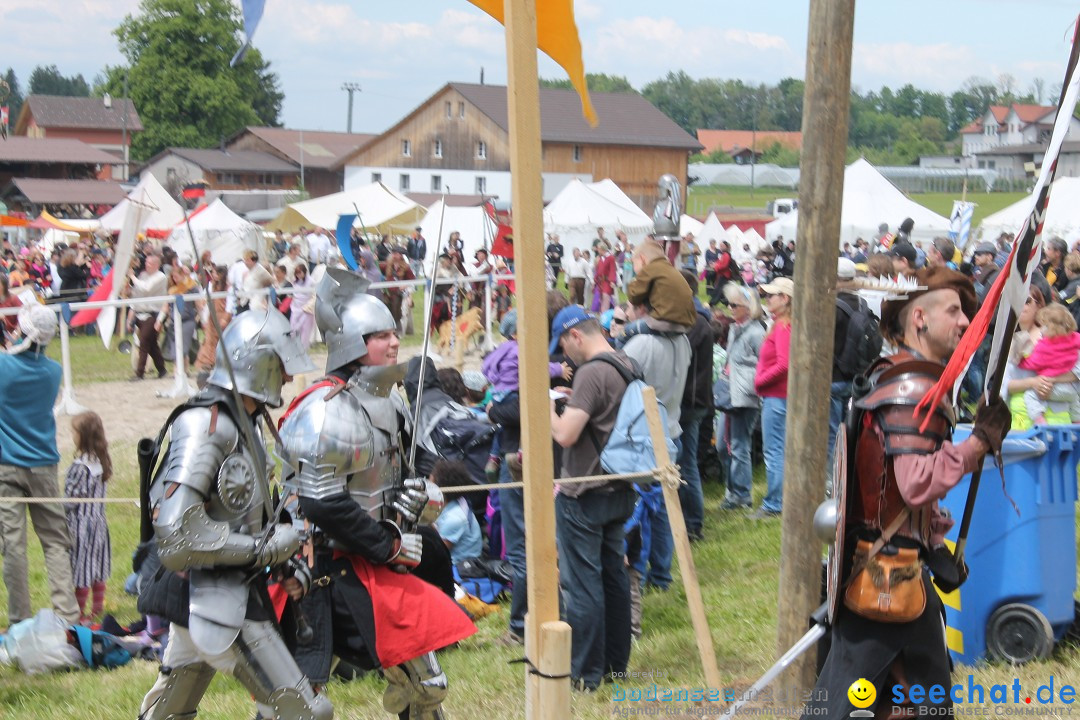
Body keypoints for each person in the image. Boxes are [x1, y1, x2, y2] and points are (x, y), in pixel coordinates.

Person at [804, 266, 1011, 719]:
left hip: (892, 566)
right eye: (953, 311)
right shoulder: (913, 388)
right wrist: (978, 443)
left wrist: (930, 531)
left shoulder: (899, 377)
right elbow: (916, 483)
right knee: (864, 702)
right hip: (885, 576)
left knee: (904, 700)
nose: (964, 323)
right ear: (918, 318)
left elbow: (886, 485)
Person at [277, 267, 475, 718]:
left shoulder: (392, 399)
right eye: (379, 335)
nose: (392, 342)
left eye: (392, 332)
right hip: (318, 566)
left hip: (374, 559)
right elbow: (321, 502)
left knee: (426, 684)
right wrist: (387, 543)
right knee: (295, 699)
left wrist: (424, 492)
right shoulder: (326, 412)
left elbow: (413, 462)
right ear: (351, 343)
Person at [136, 308, 328, 720]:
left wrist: (284, 561)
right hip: (208, 590)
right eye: (280, 367)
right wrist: (268, 547)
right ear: (257, 364)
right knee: (302, 712)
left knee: (168, 713)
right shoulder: (206, 426)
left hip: (227, 586)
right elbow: (177, 534)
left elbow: (248, 515)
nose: (289, 378)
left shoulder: (245, 422)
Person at [548, 305, 638, 692]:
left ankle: (586, 675)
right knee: (614, 579)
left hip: (583, 492)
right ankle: (616, 666)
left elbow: (566, 434)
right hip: (620, 488)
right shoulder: (626, 363)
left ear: (575, 336)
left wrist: (545, 403)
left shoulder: (590, 372)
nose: (564, 355)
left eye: (563, 346)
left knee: (582, 587)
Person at [0, 304, 81, 625]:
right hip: (44, 464)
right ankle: (67, 615)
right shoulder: (53, 371)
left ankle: (19, 618)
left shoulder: (4, 366)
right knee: (55, 542)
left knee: (14, 546)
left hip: (6, 465)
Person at [719, 284, 766, 510]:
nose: (730, 308)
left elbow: (764, 363)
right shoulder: (734, 328)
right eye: (729, 303)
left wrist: (747, 376)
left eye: (734, 305)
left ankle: (741, 494)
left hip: (745, 395)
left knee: (738, 444)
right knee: (723, 445)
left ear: (748, 307)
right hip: (730, 393)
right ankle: (732, 491)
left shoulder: (757, 332)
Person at [63, 410, 113, 625]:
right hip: (99, 522)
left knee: (82, 567)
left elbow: (71, 501)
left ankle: (80, 612)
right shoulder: (101, 462)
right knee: (97, 565)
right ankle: (97, 606)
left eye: (74, 432)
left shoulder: (79, 467)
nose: (72, 436)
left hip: (82, 524)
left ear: (82, 436)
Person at [753, 276, 793, 518]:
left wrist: (760, 380)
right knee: (778, 449)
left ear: (785, 298)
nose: (767, 299)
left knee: (774, 450)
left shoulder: (783, 326)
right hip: (778, 396)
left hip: (777, 397)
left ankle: (774, 503)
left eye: (771, 295)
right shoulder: (781, 324)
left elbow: (785, 363)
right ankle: (778, 500)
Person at [1016, 303, 1080, 424]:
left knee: (1031, 396)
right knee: (1075, 401)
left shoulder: (1045, 346)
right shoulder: (1075, 338)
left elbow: (1032, 363)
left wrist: (1021, 361)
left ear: (1051, 328)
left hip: (1053, 388)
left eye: (1044, 326)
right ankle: (1077, 423)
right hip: (1073, 389)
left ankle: (1041, 422)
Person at [430, 459, 483, 567]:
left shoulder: (454, 519)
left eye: (430, 482)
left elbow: (439, 553)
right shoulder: (452, 504)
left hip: (459, 568)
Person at [128, 253, 169, 381]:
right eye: (146, 262)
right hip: (140, 313)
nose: (146, 265)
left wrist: (132, 277)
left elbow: (146, 288)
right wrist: (131, 315)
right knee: (152, 345)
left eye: (150, 263)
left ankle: (139, 373)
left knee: (144, 342)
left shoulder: (161, 277)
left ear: (157, 265)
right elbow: (137, 294)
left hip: (153, 314)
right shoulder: (143, 276)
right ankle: (162, 370)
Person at [194, 265, 231, 387]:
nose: (213, 275)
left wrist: (226, 318)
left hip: (223, 316)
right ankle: (209, 364)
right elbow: (205, 298)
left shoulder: (228, 287)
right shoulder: (211, 285)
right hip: (212, 317)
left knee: (223, 341)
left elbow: (230, 304)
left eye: (215, 273)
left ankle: (224, 365)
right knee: (209, 341)